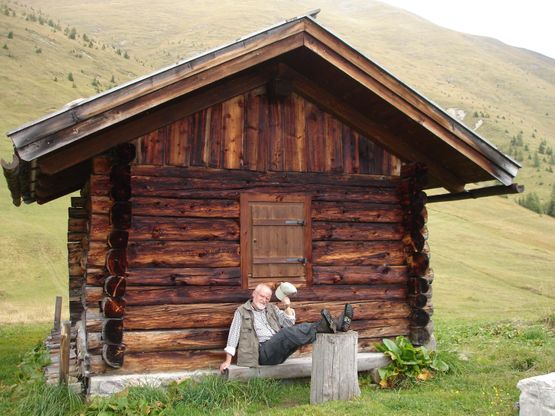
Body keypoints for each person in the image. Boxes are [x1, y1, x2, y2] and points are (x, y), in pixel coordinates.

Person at [219, 283, 353, 373]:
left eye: (267, 298)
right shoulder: (242, 311)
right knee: (286, 333)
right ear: (254, 294)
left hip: (278, 352)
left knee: (295, 333)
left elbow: (289, 323)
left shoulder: (272, 308)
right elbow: (233, 336)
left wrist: (287, 306)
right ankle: (330, 325)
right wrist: (227, 361)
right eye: (262, 296)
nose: (264, 300)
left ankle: (336, 325)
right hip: (261, 354)